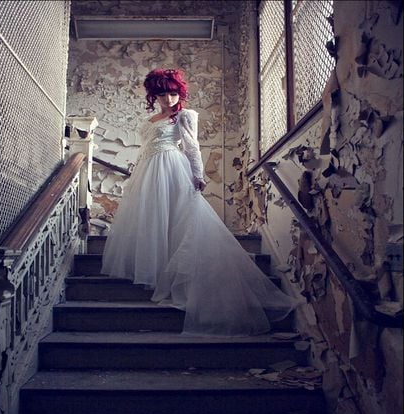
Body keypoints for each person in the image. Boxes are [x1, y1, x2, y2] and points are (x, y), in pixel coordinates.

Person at [101, 68, 304, 336]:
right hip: (149, 171)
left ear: (179, 93)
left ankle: (181, 279)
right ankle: (161, 273)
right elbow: (147, 147)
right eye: (162, 94)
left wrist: (198, 176)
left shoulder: (184, 116)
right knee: (155, 221)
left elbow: (192, 146)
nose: (168, 99)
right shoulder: (153, 119)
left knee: (180, 219)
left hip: (172, 168)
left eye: (173, 93)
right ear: (154, 95)